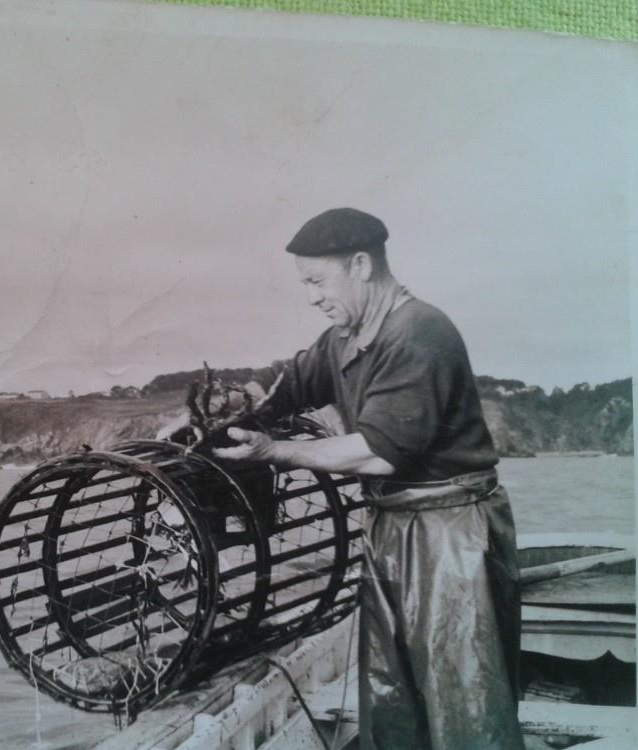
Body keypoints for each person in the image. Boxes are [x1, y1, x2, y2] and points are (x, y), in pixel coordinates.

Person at [212, 208, 525, 750]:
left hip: (452, 535)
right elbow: (287, 383)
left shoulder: (419, 333)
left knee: (466, 698)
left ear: (360, 265)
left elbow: (379, 454)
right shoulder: (345, 337)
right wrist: (222, 408)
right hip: (390, 528)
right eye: (304, 284)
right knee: (390, 693)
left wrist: (275, 451)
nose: (311, 297)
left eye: (317, 281)